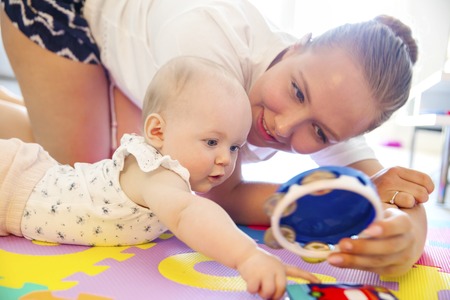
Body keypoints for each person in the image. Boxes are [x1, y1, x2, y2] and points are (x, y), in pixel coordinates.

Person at [0, 0, 435, 277]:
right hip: (65, 10)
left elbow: (392, 185)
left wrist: (406, 234)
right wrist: (339, 202)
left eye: (319, 133)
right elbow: (218, 192)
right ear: (297, 45)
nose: (284, 128)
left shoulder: (336, 100)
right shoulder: (210, 46)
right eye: (296, 92)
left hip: (141, 39)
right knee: (85, 176)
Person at [0, 56, 320, 299]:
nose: (226, 158)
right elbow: (188, 214)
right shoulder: (157, 174)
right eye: (211, 142)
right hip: (12, 186)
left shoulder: (168, 180)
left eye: (234, 146)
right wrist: (247, 256)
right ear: (157, 131)